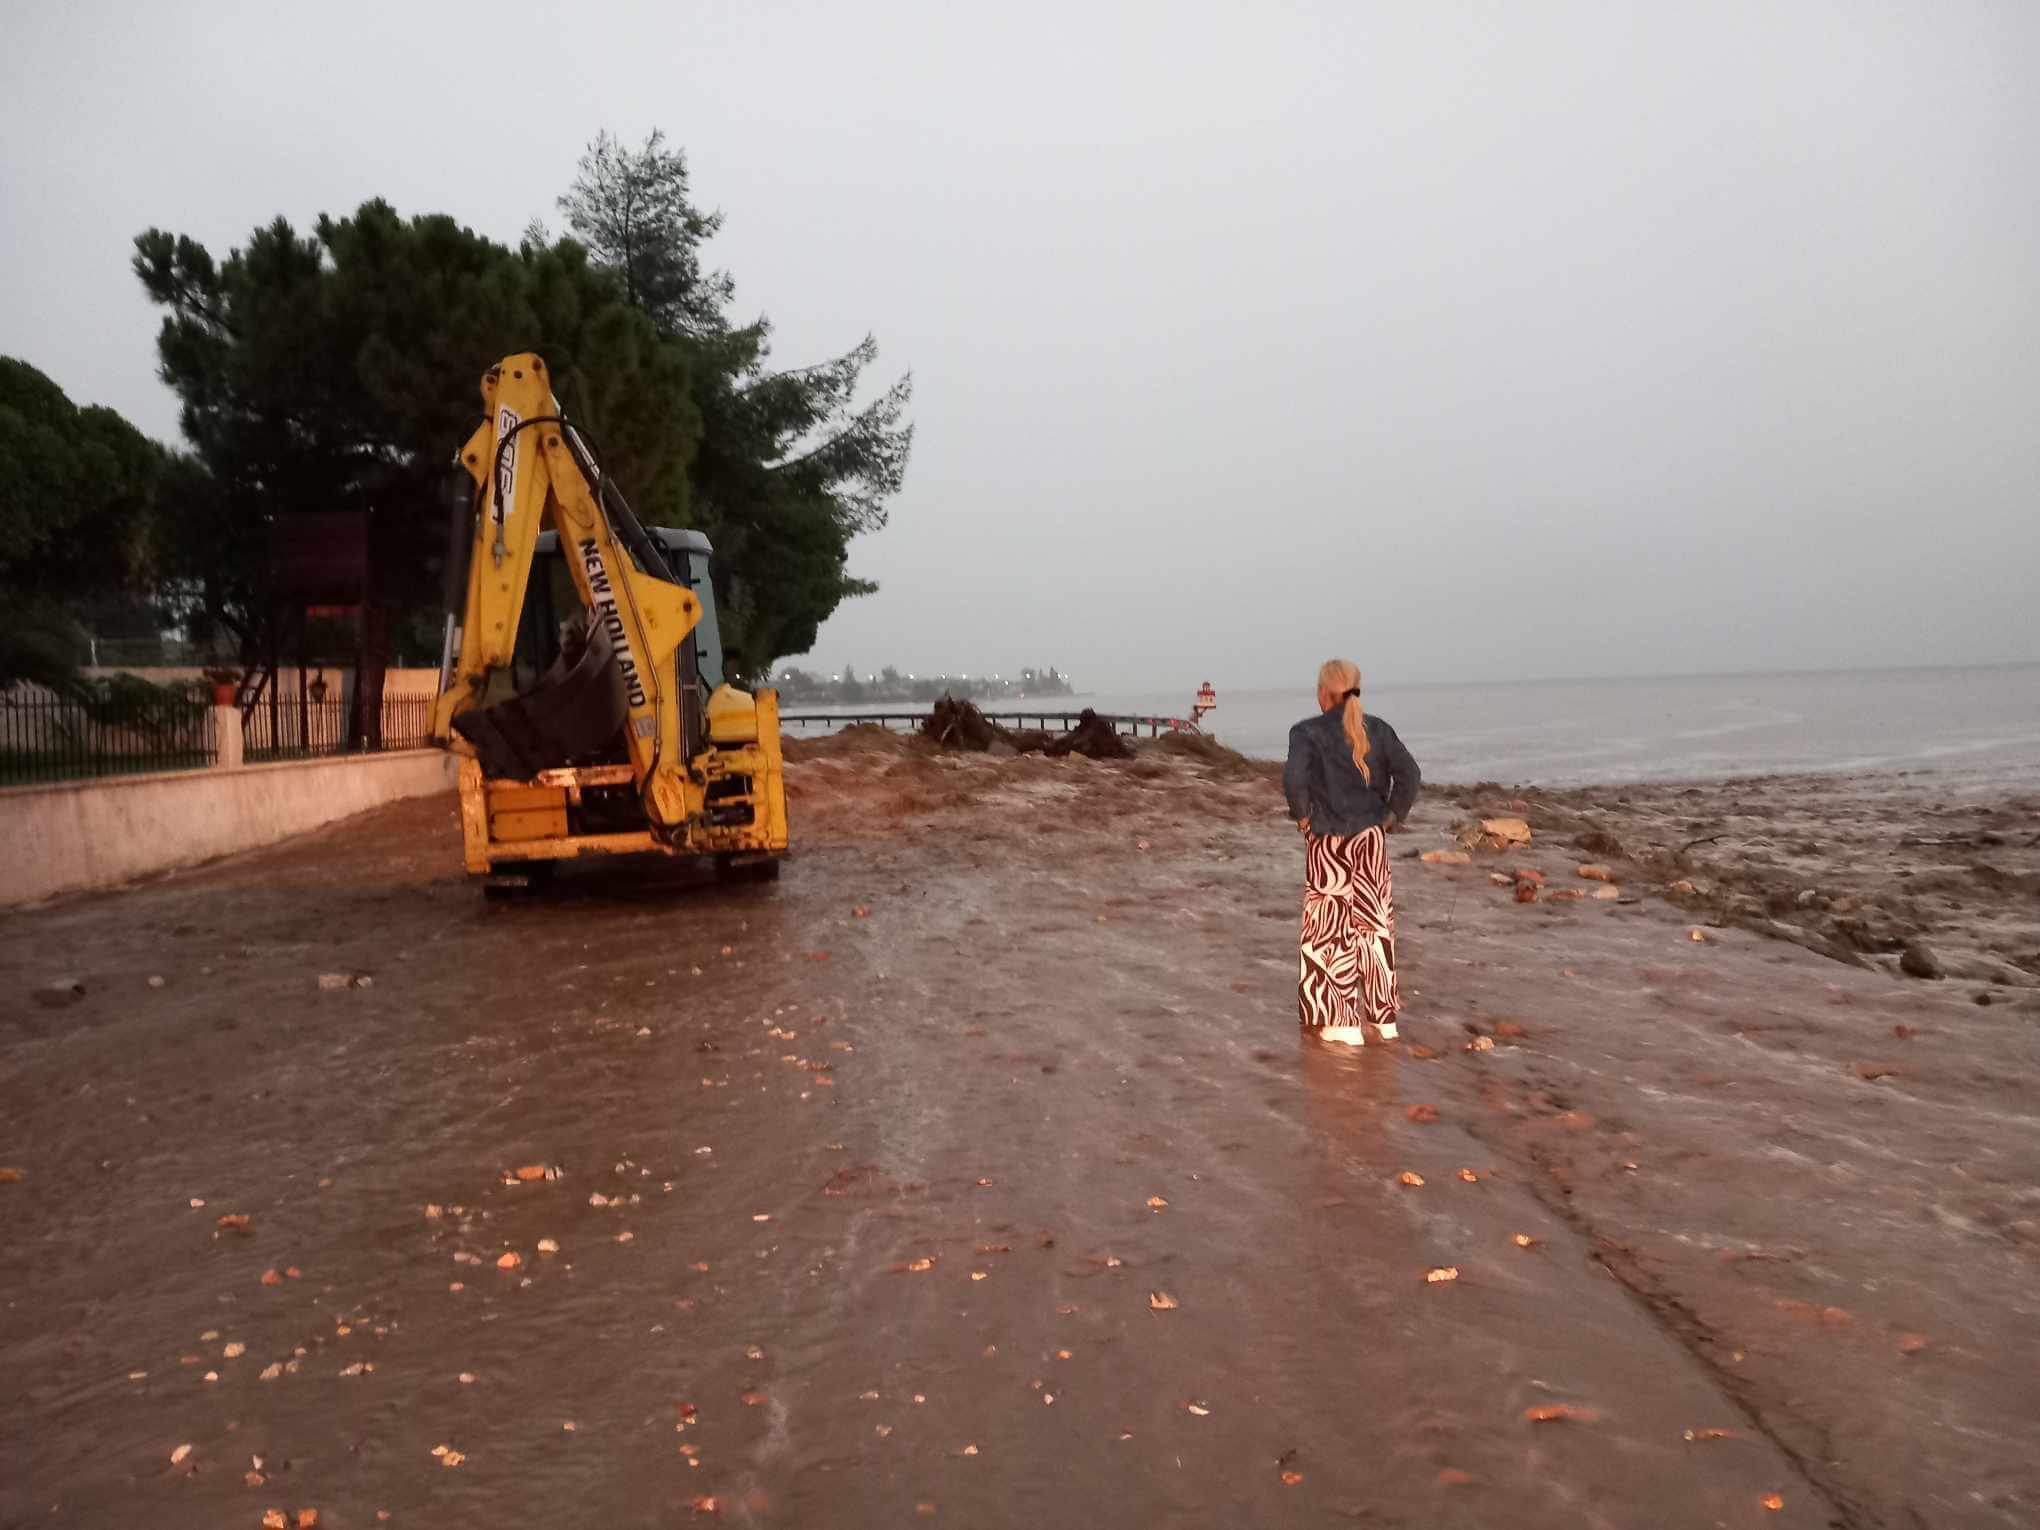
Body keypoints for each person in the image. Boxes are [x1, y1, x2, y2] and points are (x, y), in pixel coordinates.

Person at [1282, 659, 1421, 1045]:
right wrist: (1391, 816)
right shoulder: (1376, 728)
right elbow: (1410, 773)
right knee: (1375, 928)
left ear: (1323, 692)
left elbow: (1294, 781)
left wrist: (1303, 819)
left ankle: (1342, 1022)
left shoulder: (1305, 732)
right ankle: (1383, 1020)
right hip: (1371, 839)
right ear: (1356, 689)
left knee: (1330, 930)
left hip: (1328, 841)